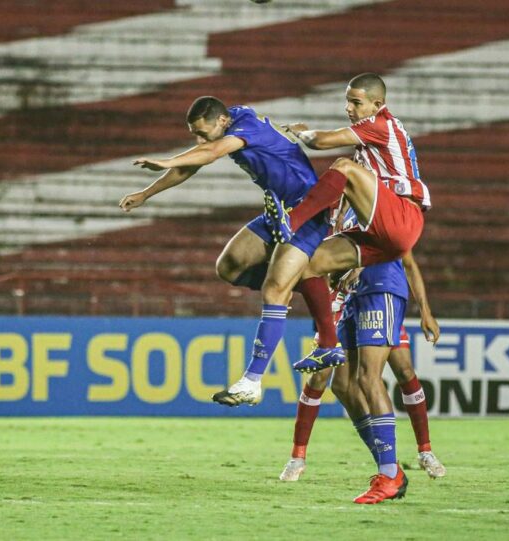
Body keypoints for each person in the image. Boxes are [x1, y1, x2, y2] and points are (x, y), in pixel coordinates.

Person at [212, 73, 432, 407]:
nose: (349, 108)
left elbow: (320, 142)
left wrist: (303, 133)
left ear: (377, 104)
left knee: (341, 166)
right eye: (347, 101)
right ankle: (327, 345)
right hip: (380, 236)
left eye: (356, 102)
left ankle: (293, 220)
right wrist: (338, 226)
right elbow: (347, 196)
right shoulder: (367, 151)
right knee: (309, 265)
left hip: (403, 216)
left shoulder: (380, 124)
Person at [119, 97, 344, 406]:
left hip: (306, 212)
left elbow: (209, 153)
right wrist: (147, 193)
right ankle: (307, 285)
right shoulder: (235, 119)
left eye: (202, 132)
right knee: (230, 265)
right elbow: (196, 161)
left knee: (274, 289)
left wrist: (168, 160)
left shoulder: (244, 127)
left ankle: (252, 381)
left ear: (221, 122)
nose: (199, 140)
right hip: (278, 212)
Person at [280, 253, 445, 490]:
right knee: (327, 379)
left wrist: (425, 311)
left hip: (377, 297)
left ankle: (424, 451)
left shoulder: (382, 223)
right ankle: (298, 458)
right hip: (341, 302)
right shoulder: (333, 221)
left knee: (403, 370)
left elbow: (401, 257)